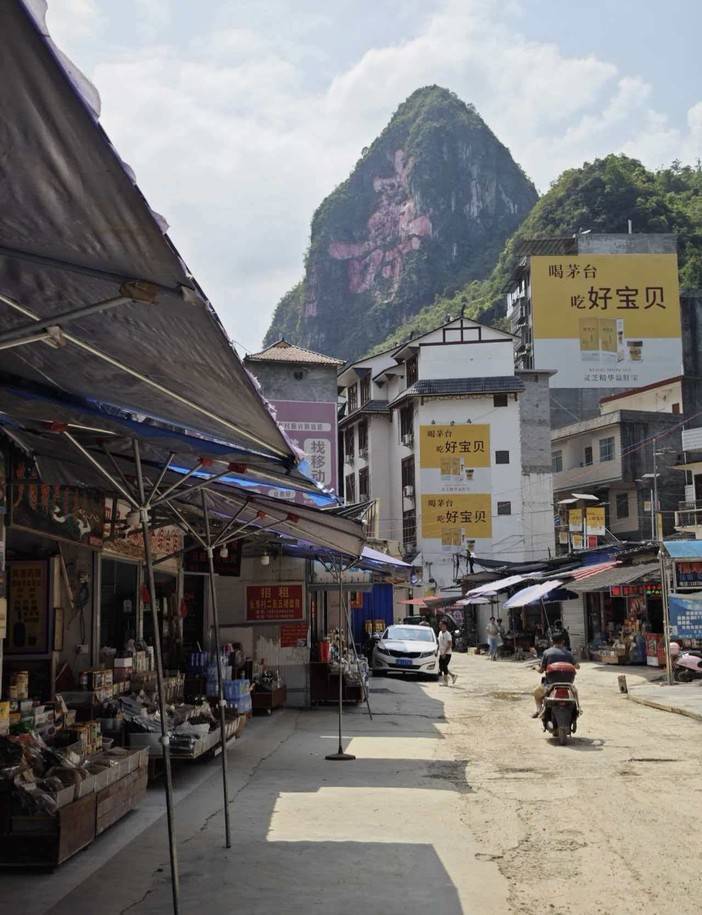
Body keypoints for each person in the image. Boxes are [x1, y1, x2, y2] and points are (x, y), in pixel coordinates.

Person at [532, 633, 579, 718]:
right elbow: (577, 666)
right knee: (575, 691)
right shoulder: (568, 653)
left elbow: (541, 670)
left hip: (551, 683)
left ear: (551, 641)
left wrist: (535, 667)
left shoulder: (547, 653)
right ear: (563, 641)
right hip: (568, 683)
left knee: (536, 693)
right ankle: (578, 708)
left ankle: (539, 710)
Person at [437, 620, 458, 685]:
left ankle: (446, 682)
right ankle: (453, 676)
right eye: (439, 625)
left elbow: (450, 644)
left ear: (445, 626)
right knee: (441, 667)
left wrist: (444, 653)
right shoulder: (440, 633)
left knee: (444, 666)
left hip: (447, 653)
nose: (440, 626)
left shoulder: (448, 634)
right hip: (441, 653)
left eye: (441, 625)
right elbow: (439, 643)